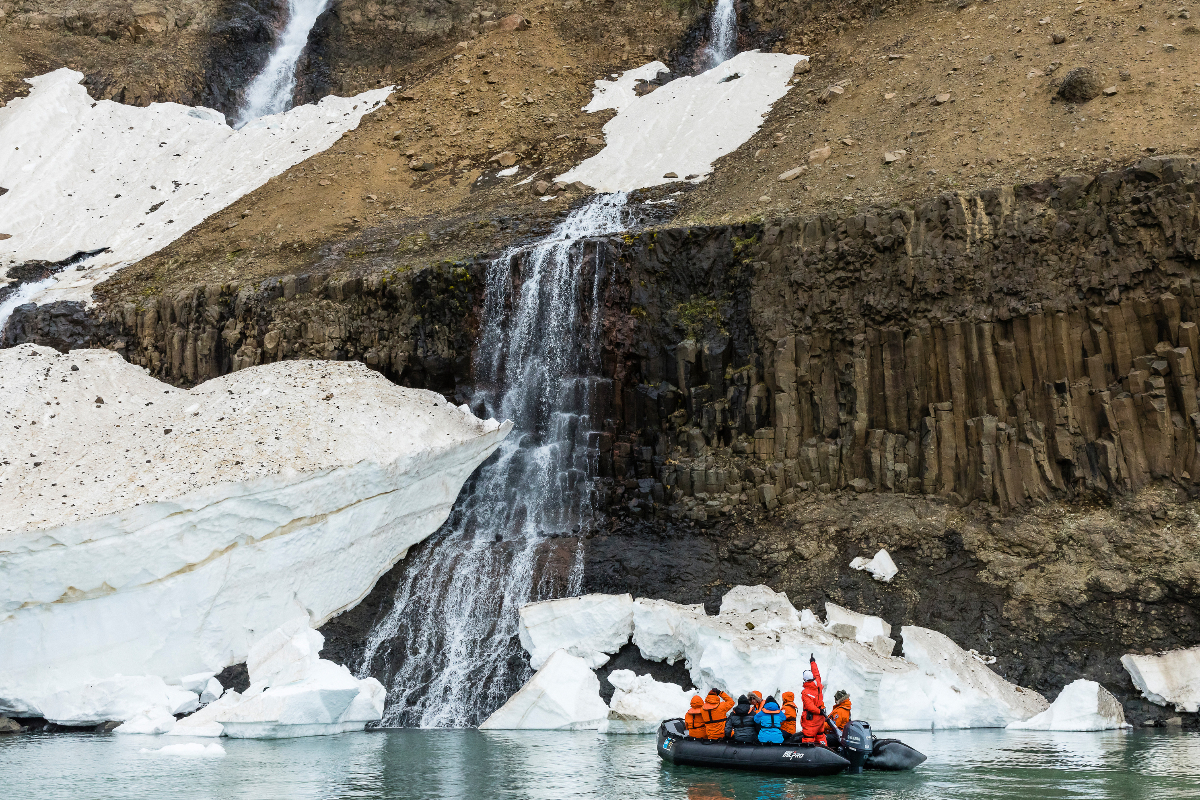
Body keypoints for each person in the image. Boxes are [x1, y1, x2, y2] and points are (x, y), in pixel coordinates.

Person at [800, 653, 827, 746]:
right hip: (821, 717)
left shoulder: (805, 692)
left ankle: (808, 756)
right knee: (820, 735)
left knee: (809, 737)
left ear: (804, 679)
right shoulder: (818, 684)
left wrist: (818, 711)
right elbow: (817, 673)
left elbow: (810, 707)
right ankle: (825, 751)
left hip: (811, 718)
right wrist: (813, 662)